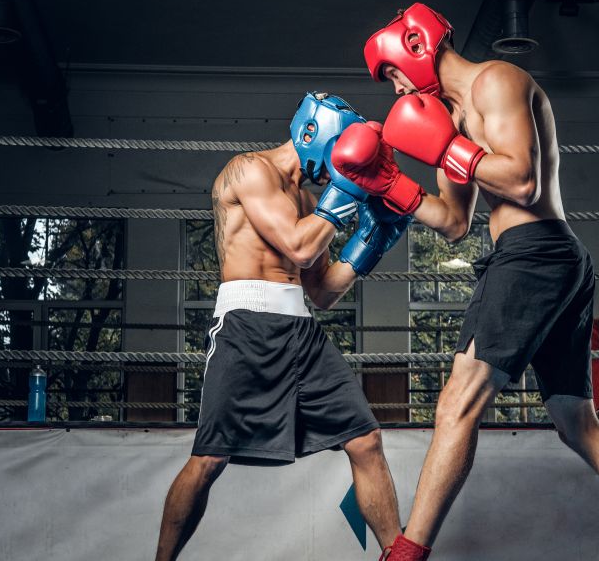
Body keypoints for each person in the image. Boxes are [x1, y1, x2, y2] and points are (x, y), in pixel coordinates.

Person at [333, 3, 599, 561]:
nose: (397, 88)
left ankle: (406, 554)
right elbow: (454, 223)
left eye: (394, 73)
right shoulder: (448, 119)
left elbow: (523, 182)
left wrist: (446, 148)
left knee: (456, 403)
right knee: (576, 421)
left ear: (416, 46)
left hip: (534, 253)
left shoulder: (497, 80)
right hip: (549, 260)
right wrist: (390, 185)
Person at [154, 92, 408, 560]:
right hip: (245, 323)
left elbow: (323, 292)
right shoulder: (250, 170)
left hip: (301, 329)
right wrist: (346, 197)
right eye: (344, 158)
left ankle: (399, 556)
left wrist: (369, 244)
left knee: (365, 439)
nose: (344, 170)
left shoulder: (309, 199)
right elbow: (299, 247)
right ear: (315, 134)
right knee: (210, 458)